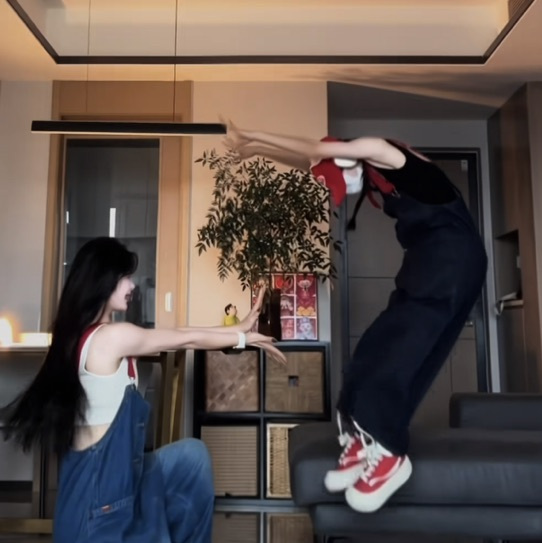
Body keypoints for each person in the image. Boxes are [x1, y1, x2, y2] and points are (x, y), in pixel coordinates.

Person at [224, 121, 487, 513]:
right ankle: (361, 439)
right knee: (372, 348)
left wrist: (257, 134)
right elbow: (311, 157)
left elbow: (318, 148)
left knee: (400, 351)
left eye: (340, 177)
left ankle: (390, 453)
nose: (342, 190)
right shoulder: (372, 173)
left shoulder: (387, 154)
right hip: (425, 263)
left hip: (453, 262)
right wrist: (257, 149)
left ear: (352, 161)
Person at [1, 237, 285, 542]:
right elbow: (184, 338)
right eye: (125, 276)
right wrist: (242, 337)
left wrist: (238, 330)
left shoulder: (88, 337)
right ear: (104, 280)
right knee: (189, 461)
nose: (132, 285)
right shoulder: (111, 338)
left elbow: (183, 333)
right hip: (98, 506)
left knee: (192, 458)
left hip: (116, 480)